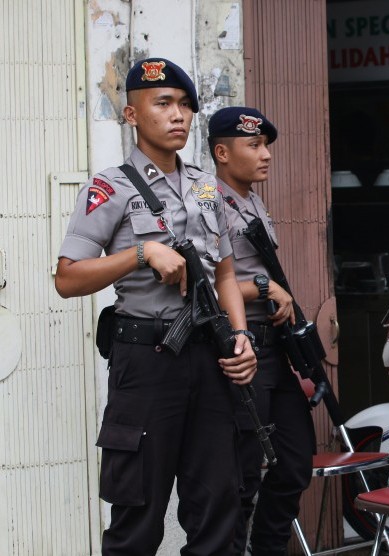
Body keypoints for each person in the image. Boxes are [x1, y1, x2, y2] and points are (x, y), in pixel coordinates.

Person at [54, 58, 258, 554]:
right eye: (163, 103)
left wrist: (242, 336)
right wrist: (141, 252)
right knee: (138, 516)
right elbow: (67, 278)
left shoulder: (208, 187)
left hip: (211, 362)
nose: (179, 115)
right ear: (131, 114)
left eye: (186, 105)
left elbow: (226, 273)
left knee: (218, 507)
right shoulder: (111, 187)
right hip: (147, 363)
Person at [208, 106, 315, 555]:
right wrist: (264, 286)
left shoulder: (252, 200)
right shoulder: (205, 201)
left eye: (265, 144)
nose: (266, 154)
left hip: (274, 352)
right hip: (240, 350)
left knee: (294, 463)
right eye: (254, 145)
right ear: (222, 152)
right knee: (242, 475)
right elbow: (204, 286)